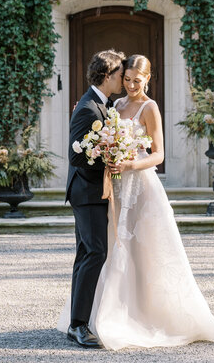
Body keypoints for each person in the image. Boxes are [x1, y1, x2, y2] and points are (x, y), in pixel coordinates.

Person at [60, 53, 214, 350]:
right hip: (111, 188)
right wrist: (111, 157)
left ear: (148, 79)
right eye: (125, 79)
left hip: (138, 184)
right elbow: (88, 146)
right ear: (114, 76)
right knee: (105, 251)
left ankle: (140, 315)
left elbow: (158, 154)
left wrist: (127, 164)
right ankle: (85, 321)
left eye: (135, 80)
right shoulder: (112, 105)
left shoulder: (149, 107)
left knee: (142, 250)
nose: (129, 85)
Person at [61, 48, 125, 349]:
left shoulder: (103, 104)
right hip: (86, 193)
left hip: (91, 192)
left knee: (86, 254)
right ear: (107, 75)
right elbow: (77, 156)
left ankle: (76, 321)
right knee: (96, 252)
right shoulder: (88, 108)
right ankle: (78, 326)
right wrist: (109, 164)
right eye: (119, 75)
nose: (123, 80)